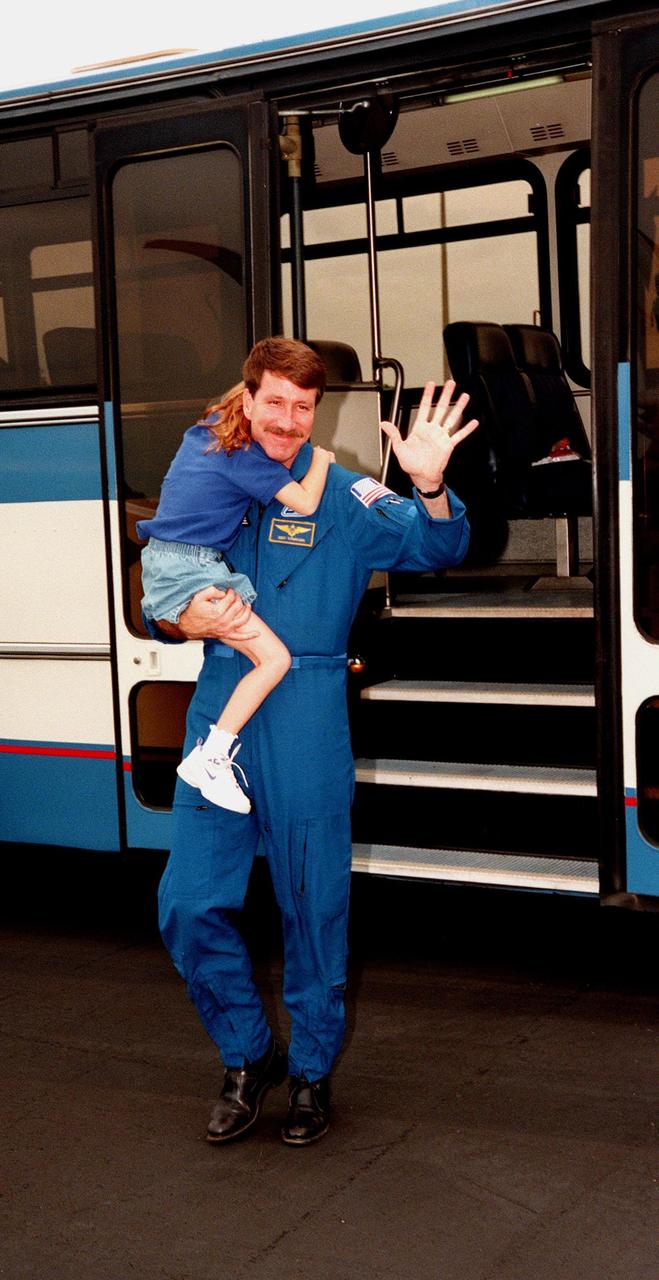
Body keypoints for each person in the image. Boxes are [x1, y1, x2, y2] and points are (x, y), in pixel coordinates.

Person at [146, 337, 477, 1147]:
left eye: (304, 407)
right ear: (249, 397)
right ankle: (245, 1055)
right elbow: (164, 598)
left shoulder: (339, 495)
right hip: (220, 711)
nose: (288, 421)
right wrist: (174, 617)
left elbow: (437, 547)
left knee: (313, 909)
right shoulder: (217, 474)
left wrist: (431, 487)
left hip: (305, 718)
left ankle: (311, 1073)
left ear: (314, 412)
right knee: (188, 904)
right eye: (275, 403)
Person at [136, 380, 334, 813]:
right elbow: (303, 502)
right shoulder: (247, 459)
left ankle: (211, 757)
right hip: (192, 567)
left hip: (165, 560)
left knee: (264, 657)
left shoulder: (206, 430)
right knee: (275, 659)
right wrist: (321, 460)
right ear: (248, 404)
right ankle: (211, 759)